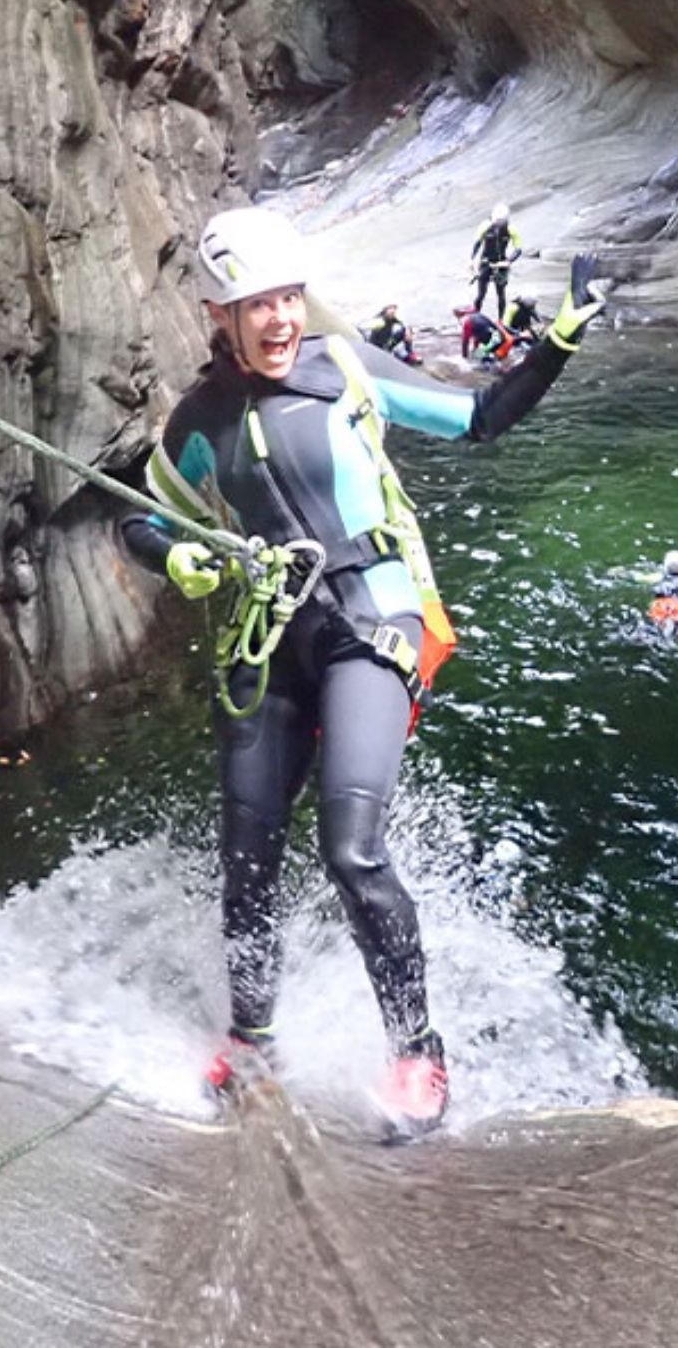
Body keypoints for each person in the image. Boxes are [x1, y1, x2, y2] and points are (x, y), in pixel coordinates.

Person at [119, 206, 607, 1134]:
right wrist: (174, 557)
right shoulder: (201, 420)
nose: (278, 320)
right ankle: (255, 1039)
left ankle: (419, 1057)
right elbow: (142, 516)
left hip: (371, 623)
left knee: (351, 848)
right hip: (273, 638)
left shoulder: (344, 371)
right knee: (247, 857)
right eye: (256, 304)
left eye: (289, 298)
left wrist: (558, 343)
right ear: (219, 316)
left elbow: (479, 417)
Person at [469, 202, 523, 315]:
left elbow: (518, 248)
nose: (498, 224)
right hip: (486, 262)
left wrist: (508, 261)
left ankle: (501, 321)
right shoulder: (485, 226)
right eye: (497, 221)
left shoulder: (511, 229)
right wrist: (471, 260)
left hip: (501, 263)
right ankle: (475, 317)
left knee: (501, 294)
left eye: (501, 222)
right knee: (480, 294)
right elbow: (477, 243)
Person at [454, 306, 518, 367]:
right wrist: (475, 348)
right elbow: (478, 335)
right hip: (505, 339)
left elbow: (465, 342)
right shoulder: (478, 315)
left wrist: (464, 359)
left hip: (497, 344)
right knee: (480, 351)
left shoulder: (466, 322)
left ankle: (493, 364)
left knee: (476, 356)